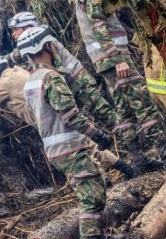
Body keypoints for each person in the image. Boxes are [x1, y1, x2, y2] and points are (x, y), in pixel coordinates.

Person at [19, 27, 131, 238]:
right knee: (92, 198)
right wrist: (98, 135)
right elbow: (71, 116)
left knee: (94, 190)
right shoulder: (51, 78)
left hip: (55, 150)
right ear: (47, 47)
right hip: (70, 148)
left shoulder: (30, 82)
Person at [75, 0, 166, 146]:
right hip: (113, 57)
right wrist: (118, 59)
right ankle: (164, 149)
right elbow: (98, 26)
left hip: (104, 59)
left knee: (123, 107)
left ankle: (138, 156)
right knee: (141, 97)